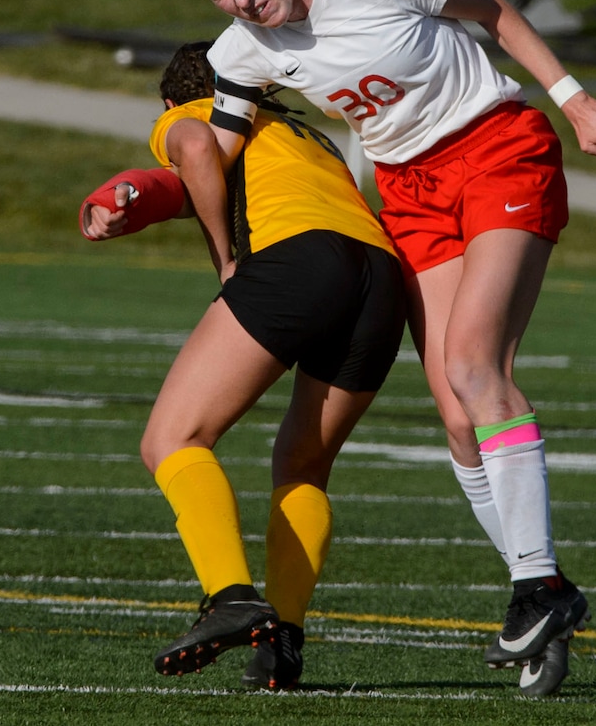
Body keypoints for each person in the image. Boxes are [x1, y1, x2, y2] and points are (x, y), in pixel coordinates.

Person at [159, 0, 596, 697]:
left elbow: (496, 16)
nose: (239, 2)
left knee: (476, 366)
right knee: (456, 412)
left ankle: (539, 586)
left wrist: (576, 101)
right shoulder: (240, 51)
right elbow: (211, 150)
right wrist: (148, 191)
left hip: (497, 149)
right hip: (409, 192)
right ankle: (539, 592)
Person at [80, 42, 406, 689]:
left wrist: (226, 261)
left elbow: (196, 151)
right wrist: (133, 202)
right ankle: (281, 640)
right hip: (381, 275)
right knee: (304, 464)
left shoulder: (189, 113)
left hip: (298, 262)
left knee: (172, 438)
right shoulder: (298, 129)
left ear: (170, 99)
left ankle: (230, 595)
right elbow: (192, 187)